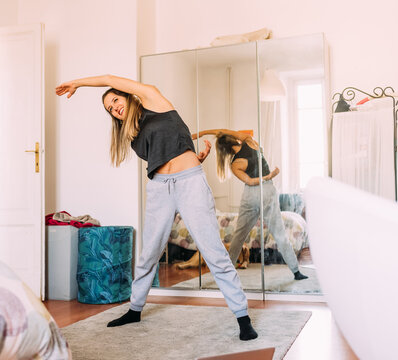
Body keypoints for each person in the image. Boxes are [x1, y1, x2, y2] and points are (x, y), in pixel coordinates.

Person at [56, 75, 258, 341]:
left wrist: (78, 84)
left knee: (213, 252)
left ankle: (242, 317)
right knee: (149, 253)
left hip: (190, 183)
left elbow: (107, 78)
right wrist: (190, 153)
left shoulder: (155, 100)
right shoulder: (134, 136)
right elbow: (167, 151)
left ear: (128, 95)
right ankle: (135, 309)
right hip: (160, 187)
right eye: (109, 109)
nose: (114, 107)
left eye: (115, 99)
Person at [192, 129, 308, 281]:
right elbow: (223, 131)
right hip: (267, 190)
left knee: (239, 236)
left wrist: (200, 135)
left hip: (250, 195)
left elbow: (250, 181)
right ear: (234, 139)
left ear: (223, 151)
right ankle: (296, 271)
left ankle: (226, 274)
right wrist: (270, 176)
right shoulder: (249, 141)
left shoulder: (235, 164)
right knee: (279, 234)